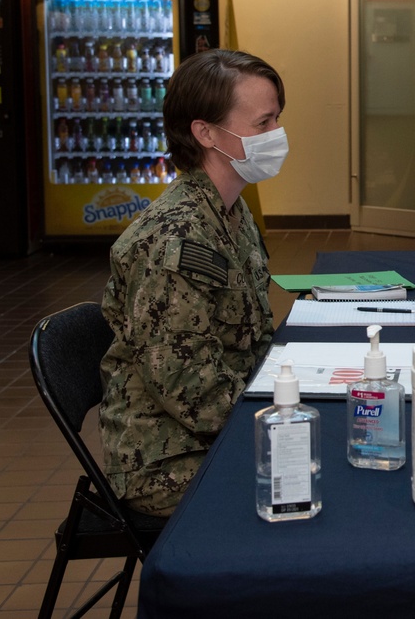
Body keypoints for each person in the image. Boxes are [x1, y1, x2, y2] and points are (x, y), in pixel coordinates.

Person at [100, 49, 288, 517]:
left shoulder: (229, 211)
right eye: (262, 124)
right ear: (205, 133)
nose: (277, 137)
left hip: (214, 428)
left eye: (277, 121)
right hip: (168, 458)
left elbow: (246, 339)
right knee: (321, 480)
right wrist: (285, 425)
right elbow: (188, 387)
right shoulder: (174, 240)